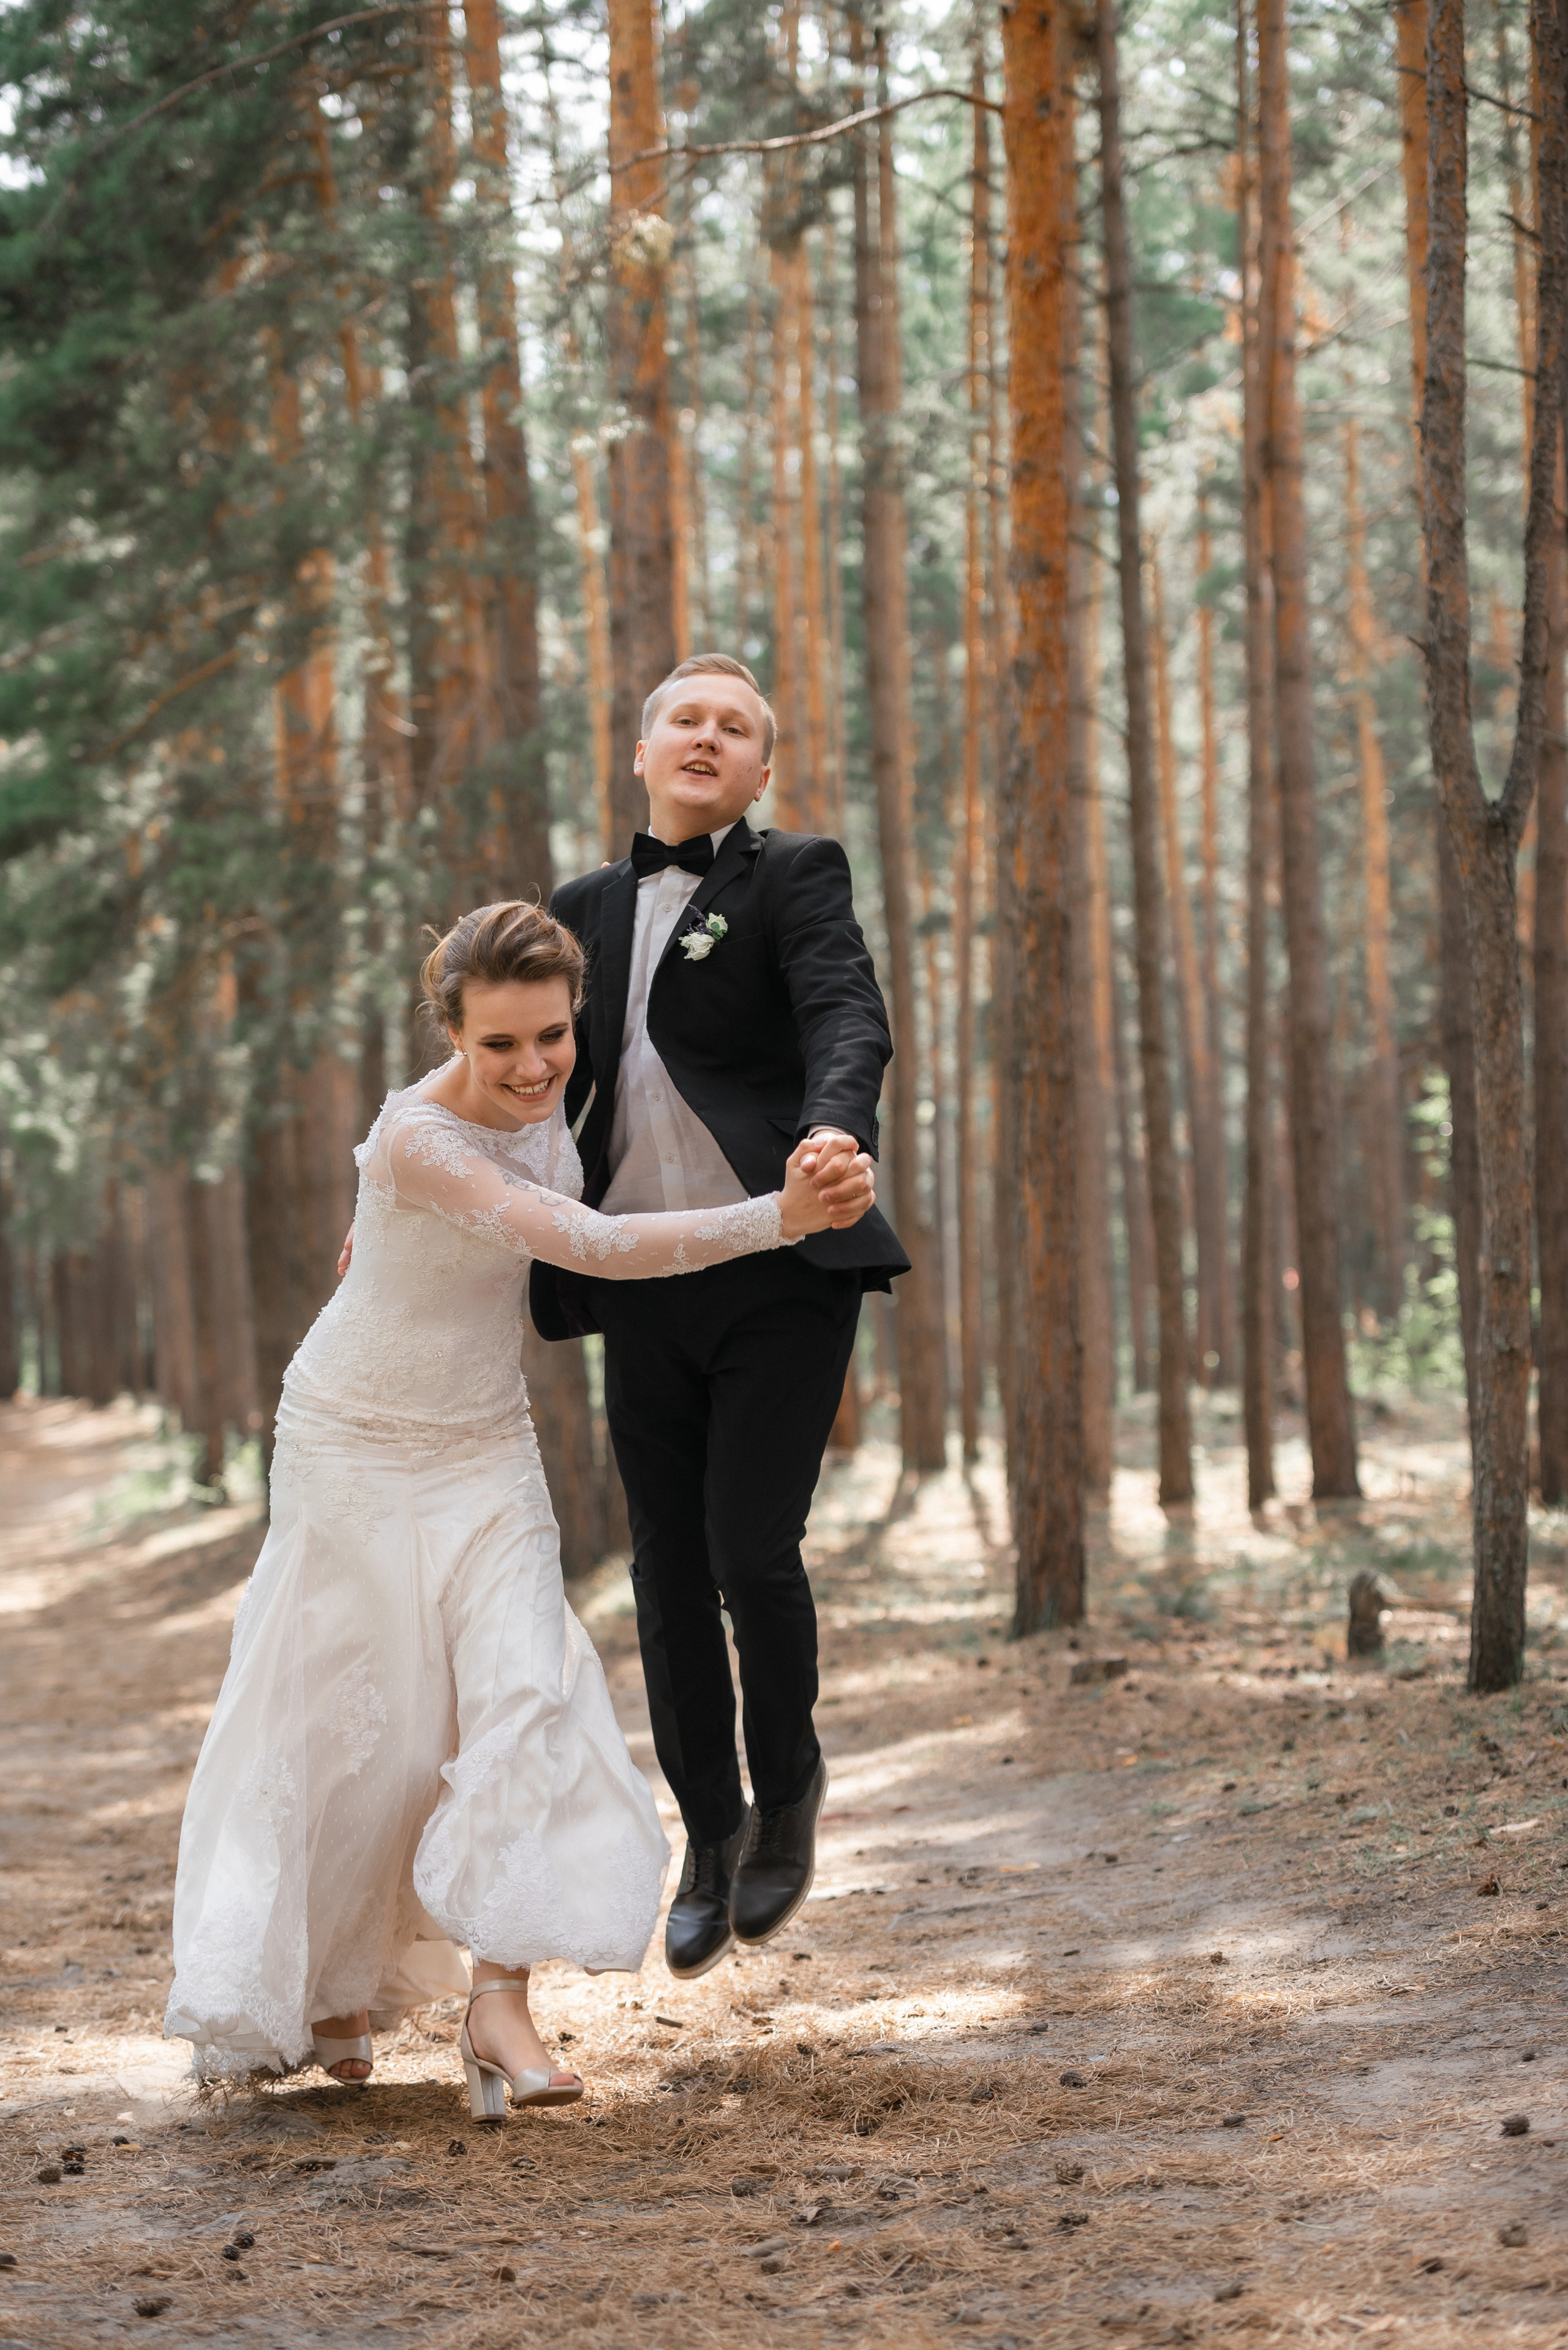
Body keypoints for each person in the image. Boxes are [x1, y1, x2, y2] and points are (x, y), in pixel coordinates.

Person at [164, 901, 876, 2117]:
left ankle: (499, 2001)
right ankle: (331, 1981)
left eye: (552, 1035)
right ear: (450, 1030)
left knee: (526, 1691)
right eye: (499, 1045)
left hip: (486, 1444)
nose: (535, 1066)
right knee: (371, 1732)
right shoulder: (418, 1138)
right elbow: (586, 1242)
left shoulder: (555, 1091)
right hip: (354, 1437)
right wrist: (779, 1219)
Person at [532, 653, 908, 1982]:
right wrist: (408, 1178)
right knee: (664, 1570)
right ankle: (710, 1836)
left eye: (734, 726)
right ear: (642, 754)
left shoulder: (794, 873)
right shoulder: (580, 906)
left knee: (750, 1550)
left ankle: (787, 1789)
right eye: (684, 720)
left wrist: (833, 1130)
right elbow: (515, 1066)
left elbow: (845, 1013)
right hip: (638, 1267)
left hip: (780, 1259)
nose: (707, 737)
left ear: (760, 767)